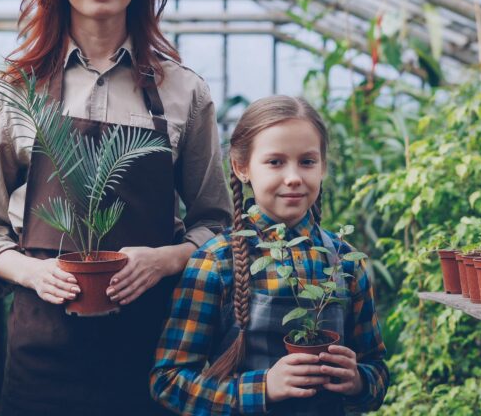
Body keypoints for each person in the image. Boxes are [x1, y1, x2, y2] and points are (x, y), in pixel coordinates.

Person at [0, 0, 231, 415]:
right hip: (42, 357)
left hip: (156, 354)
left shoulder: (183, 93)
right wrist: (31, 271)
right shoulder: (17, 89)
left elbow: (217, 223)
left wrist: (165, 259)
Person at [150, 96, 389, 415]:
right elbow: (168, 381)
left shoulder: (346, 261)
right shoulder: (217, 261)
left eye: (307, 161)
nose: (293, 177)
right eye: (275, 162)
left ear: (323, 167)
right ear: (241, 167)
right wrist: (262, 388)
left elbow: (376, 369)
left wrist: (359, 380)